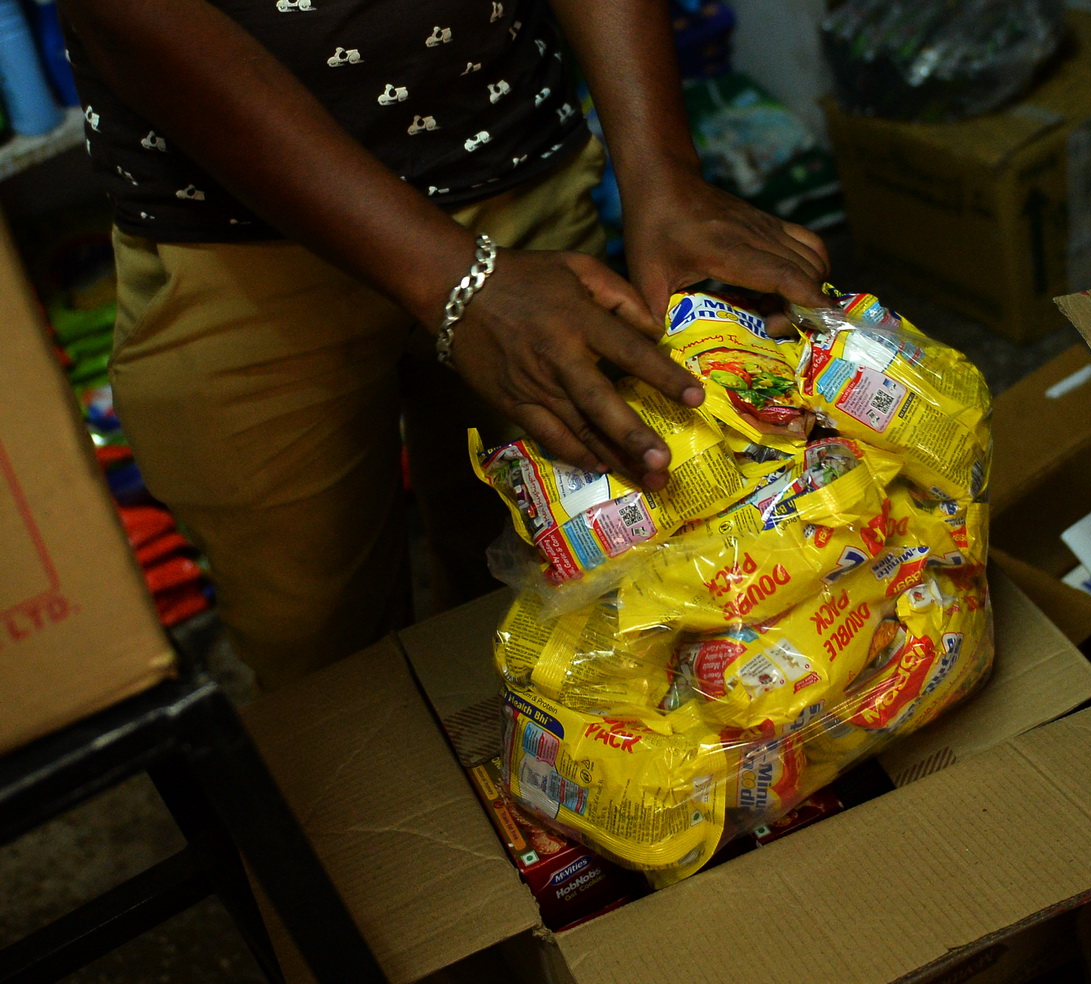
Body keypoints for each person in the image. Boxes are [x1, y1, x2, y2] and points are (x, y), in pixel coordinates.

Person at [59, 0, 831, 689]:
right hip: (234, 238)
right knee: (324, 658)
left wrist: (663, 175)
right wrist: (456, 283)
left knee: (568, 582)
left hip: (512, 174)